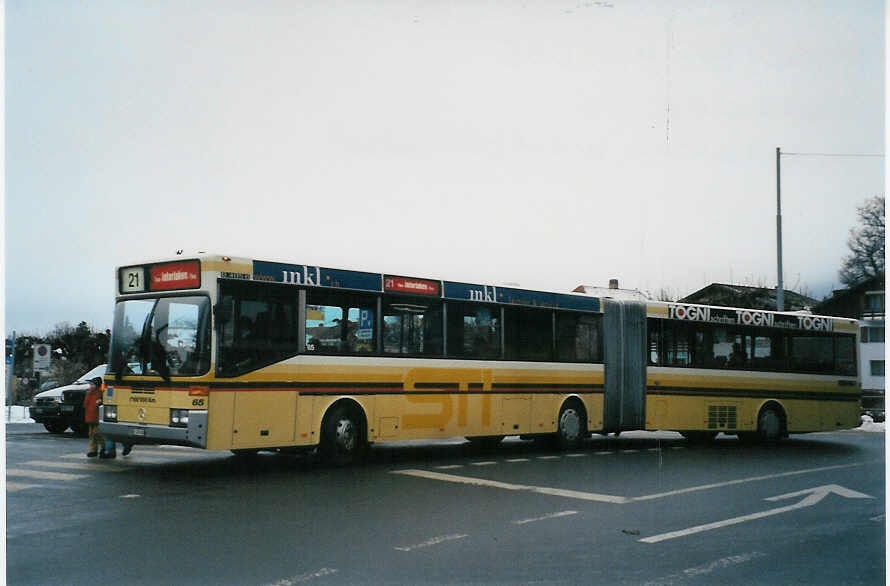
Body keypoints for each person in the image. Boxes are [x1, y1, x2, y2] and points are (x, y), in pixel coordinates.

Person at [82, 377, 104, 457]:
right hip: (91, 416)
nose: (90, 386)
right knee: (92, 434)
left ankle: (102, 448)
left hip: (96, 417)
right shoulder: (90, 393)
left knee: (97, 434)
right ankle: (93, 450)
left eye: (92, 384)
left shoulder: (99, 393)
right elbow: (86, 404)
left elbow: (86, 404)